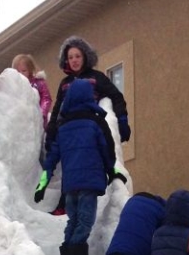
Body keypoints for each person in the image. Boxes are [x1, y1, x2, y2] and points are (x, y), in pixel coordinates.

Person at [34, 79, 122, 255]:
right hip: (89, 182)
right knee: (85, 221)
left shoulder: (63, 126)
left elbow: (52, 158)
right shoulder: (95, 121)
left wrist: (42, 185)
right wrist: (112, 171)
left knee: (73, 220)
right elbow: (108, 150)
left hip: (70, 185)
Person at [46, 36, 132, 217]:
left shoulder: (96, 78)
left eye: (77, 56)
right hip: (68, 128)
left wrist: (122, 120)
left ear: (85, 56)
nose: (74, 60)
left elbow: (116, 96)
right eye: (70, 57)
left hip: (87, 126)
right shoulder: (65, 83)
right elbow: (57, 109)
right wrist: (52, 130)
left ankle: (84, 205)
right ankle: (64, 202)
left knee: (84, 163)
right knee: (70, 165)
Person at [11, 54, 52, 129]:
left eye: (24, 71)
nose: (21, 74)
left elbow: (46, 98)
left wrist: (42, 113)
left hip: (39, 121)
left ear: (30, 70)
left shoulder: (38, 83)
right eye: (18, 72)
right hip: (22, 122)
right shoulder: (14, 86)